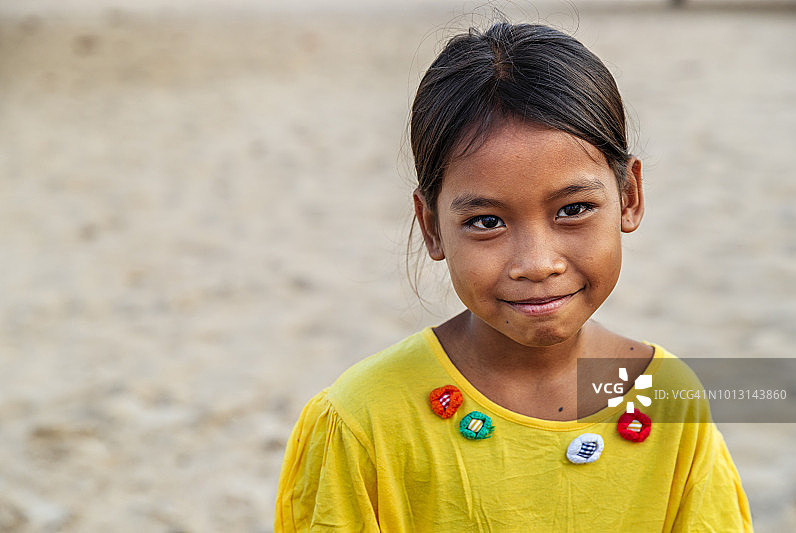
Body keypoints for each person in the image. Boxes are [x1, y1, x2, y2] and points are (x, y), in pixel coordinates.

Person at [274, 22, 752, 532]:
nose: (537, 263)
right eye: (487, 222)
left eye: (573, 209)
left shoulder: (669, 401)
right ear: (431, 227)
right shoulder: (362, 420)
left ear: (629, 197)